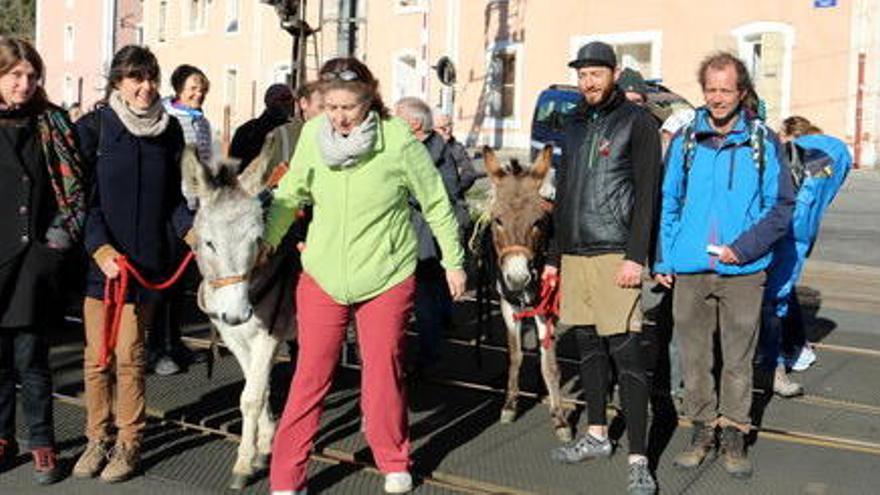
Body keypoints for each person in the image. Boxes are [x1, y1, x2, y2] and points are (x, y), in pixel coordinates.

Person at [266, 57, 465, 495]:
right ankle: (286, 477)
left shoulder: (396, 140)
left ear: (369, 99)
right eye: (331, 106)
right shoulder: (312, 140)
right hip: (323, 274)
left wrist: (453, 261)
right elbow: (289, 194)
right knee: (309, 376)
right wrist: (267, 240)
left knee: (383, 371)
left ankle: (393, 457)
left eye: (348, 107)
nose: (338, 116)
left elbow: (435, 202)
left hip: (385, 275)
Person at [653, 52, 794, 478]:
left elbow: (781, 206)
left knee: (737, 360)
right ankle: (701, 432)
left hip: (744, 272)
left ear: (742, 92)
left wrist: (744, 248)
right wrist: (664, 256)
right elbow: (669, 203)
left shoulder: (762, 141)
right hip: (691, 270)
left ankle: (734, 434)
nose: (717, 98)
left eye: (725, 90)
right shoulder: (685, 142)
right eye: (710, 89)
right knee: (695, 360)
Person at [545, 41, 662, 495]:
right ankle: (596, 435)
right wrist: (555, 258)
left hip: (616, 251)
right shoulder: (572, 123)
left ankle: (638, 458)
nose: (588, 82)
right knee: (589, 348)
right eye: (582, 74)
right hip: (575, 252)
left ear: (614, 73)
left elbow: (648, 193)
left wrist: (637, 255)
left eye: (596, 73)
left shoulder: (637, 123)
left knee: (627, 355)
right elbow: (563, 192)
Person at [72, 45, 194, 483]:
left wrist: (194, 233)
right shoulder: (93, 129)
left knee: (129, 355)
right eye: (134, 79)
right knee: (94, 358)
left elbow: (174, 202)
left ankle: (128, 443)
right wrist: (100, 249)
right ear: (118, 83)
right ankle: (96, 437)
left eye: (150, 78)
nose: (145, 88)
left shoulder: (170, 132)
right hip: (101, 264)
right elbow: (81, 201)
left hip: (146, 265)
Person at [0, 36, 86, 485]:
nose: (24, 83)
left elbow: (74, 190)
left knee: (32, 360)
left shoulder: (51, 121)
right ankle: (1, 437)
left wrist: (57, 242)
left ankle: (42, 443)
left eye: (32, 76)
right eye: (15, 74)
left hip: (36, 261)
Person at [757, 116, 852, 397]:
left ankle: (774, 363)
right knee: (778, 297)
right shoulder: (833, 154)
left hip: (780, 230)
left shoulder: (794, 154)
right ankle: (782, 358)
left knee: (769, 299)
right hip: (797, 233)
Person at [150, 64, 213, 377]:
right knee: (164, 281)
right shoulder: (167, 118)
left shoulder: (202, 122)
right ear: (178, 88)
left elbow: (207, 164)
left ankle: (174, 341)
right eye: (192, 86)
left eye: (201, 87)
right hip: (170, 208)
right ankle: (158, 347)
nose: (198, 92)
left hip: (195, 207)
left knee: (181, 283)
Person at [395, 96, 467, 369]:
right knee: (429, 297)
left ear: (413, 123)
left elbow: (446, 193)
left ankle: (427, 356)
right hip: (419, 233)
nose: (390, 121)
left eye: (396, 116)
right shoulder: (427, 145)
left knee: (425, 299)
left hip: (424, 236)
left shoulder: (432, 150)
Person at [229, 83, 294, 173]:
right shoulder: (246, 132)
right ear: (270, 102)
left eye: (290, 99)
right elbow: (233, 168)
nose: (289, 103)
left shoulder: (294, 131)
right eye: (284, 99)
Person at [433, 107, 479, 194]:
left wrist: (453, 189)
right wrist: (455, 173)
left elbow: (469, 174)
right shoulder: (422, 148)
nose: (448, 130)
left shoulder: (457, 148)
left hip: (454, 198)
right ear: (431, 129)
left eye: (450, 125)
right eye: (443, 127)